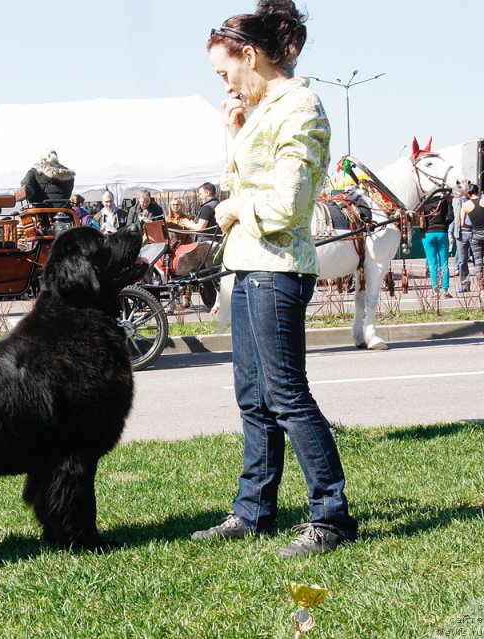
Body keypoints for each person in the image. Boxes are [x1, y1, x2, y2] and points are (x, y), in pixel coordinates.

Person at [190, 0, 358, 557]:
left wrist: (233, 210)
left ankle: (331, 518)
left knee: (286, 395)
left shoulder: (300, 106)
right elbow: (247, 177)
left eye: (225, 71)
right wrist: (233, 131)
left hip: (278, 266)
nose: (225, 82)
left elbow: (285, 204)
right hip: (250, 264)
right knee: (253, 397)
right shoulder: (263, 110)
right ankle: (253, 513)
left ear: (251, 55)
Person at [420, 192, 454, 297]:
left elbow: (421, 218)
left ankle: (435, 289)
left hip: (428, 233)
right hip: (442, 232)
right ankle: (445, 290)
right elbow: (451, 217)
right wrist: (444, 225)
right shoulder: (445, 201)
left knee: (432, 263)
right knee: (444, 263)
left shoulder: (425, 202)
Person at [462, 184, 484, 299]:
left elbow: (463, 224)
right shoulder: (483, 201)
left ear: (468, 193)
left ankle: (481, 288)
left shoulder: (466, 205)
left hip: (475, 234)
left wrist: (471, 226)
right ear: (478, 191)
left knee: (478, 262)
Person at [454, 184, 477, 292]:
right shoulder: (456, 201)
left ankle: (481, 283)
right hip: (461, 234)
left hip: (474, 232)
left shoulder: (474, 200)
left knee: (478, 259)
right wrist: (451, 231)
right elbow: (454, 217)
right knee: (462, 261)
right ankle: (465, 283)